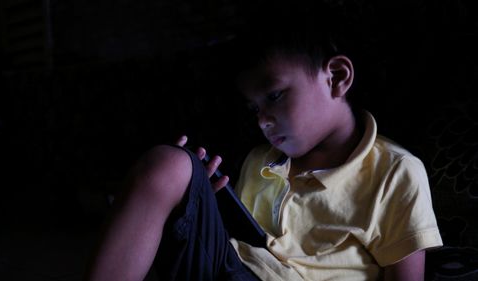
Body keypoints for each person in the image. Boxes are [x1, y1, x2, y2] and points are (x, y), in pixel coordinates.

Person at [85, 1, 443, 280]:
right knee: (171, 164)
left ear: (335, 77)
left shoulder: (396, 173)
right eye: (253, 108)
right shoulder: (261, 160)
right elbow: (238, 248)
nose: (262, 119)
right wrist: (201, 207)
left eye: (273, 97)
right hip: (235, 269)